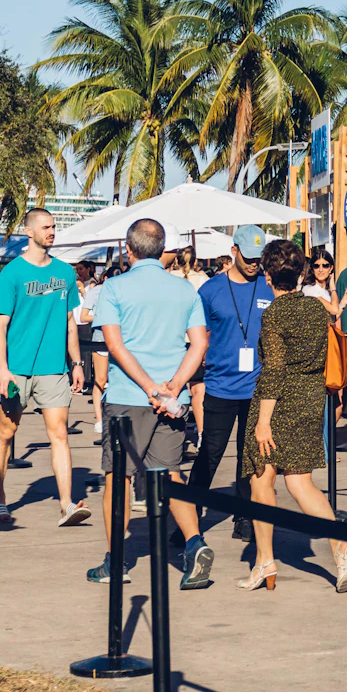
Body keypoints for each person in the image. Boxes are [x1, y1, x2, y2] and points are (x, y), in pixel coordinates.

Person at [89, 218, 214, 588]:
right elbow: (199, 343)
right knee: (170, 473)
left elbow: (114, 345)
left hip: (129, 397)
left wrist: (149, 387)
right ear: (163, 251)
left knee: (118, 477)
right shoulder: (185, 290)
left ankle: (116, 561)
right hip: (172, 399)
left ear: (129, 250)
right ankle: (194, 543)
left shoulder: (114, 287)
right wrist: (174, 386)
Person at [237, 240, 347, 592]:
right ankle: (339, 547)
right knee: (300, 482)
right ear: (301, 273)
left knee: (261, 480)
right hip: (310, 399)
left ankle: (265, 562)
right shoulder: (316, 308)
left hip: (276, 403)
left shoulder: (274, 314)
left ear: (267, 275)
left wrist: (263, 421)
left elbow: (274, 369)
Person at [0, 208, 90, 528]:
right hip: (16, 369)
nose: (52, 231)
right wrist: (2, 369)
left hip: (53, 369)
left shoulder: (65, 272)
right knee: (7, 431)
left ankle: (66, 503)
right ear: (29, 232)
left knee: (59, 434)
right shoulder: (13, 273)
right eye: (45, 227)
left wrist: (76, 363)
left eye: (54, 226)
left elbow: (70, 323)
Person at [187, 226, 275, 543]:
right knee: (209, 454)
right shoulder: (210, 290)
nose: (253, 264)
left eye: (258, 258)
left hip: (258, 389)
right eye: (248, 257)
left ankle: (244, 517)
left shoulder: (268, 287)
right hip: (220, 386)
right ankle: (188, 520)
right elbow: (199, 336)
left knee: (248, 457)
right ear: (234, 251)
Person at [74, 261, 109, 435]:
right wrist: (103, 317)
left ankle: (113, 418)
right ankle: (99, 419)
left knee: (117, 380)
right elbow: (84, 315)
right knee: (100, 379)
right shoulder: (95, 290)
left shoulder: (124, 291)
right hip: (100, 338)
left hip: (122, 339)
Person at [302, 247, 341, 317]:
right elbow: (334, 310)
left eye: (325, 266)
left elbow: (335, 316)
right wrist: (333, 289)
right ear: (312, 268)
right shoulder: (309, 290)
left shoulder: (328, 292)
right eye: (316, 266)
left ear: (331, 268)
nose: (320, 270)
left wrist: (344, 302)